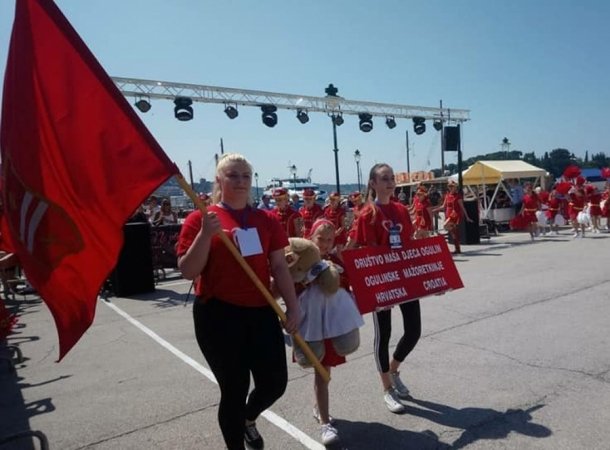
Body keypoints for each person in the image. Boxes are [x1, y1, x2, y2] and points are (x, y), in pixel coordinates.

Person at [176, 153, 300, 450]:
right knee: (234, 389)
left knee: (274, 383)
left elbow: (280, 267)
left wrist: (293, 307)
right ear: (219, 180)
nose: (241, 181)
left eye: (246, 175)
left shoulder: (266, 219)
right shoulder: (200, 219)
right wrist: (206, 234)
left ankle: (247, 418)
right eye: (233, 175)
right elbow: (187, 270)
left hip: (260, 312)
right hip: (217, 315)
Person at [353, 163, 420, 414]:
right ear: (373, 184)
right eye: (384, 178)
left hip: (405, 279)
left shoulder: (402, 210)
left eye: (392, 178)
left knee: (414, 331)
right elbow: (364, 253)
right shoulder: (367, 214)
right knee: (384, 335)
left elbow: (409, 245)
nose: (390, 182)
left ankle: (393, 369)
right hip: (381, 283)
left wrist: (431, 278)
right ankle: (386, 389)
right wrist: (374, 290)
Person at [301, 218, 363, 445]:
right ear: (310, 236)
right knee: (321, 371)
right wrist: (309, 276)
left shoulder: (335, 258)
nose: (325, 243)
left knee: (325, 370)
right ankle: (324, 423)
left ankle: (319, 408)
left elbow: (348, 283)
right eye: (321, 239)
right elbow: (292, 282)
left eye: (329, 239)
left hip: (333, 323)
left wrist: (337, 274)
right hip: (312, 322)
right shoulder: (302, 258)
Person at [433, 180, 473, 254]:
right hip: (448, 215)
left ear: (455, 188)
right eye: (449, 186)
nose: (451, 188)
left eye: (452, 186)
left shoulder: (458, 196)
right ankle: (457, 249)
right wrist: (435, 209)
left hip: (454, 216)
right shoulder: (447, 195)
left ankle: (443, 237)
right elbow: (443, 206)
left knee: (445, 226)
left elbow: (462, 207)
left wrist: (467, 216)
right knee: (454, 233)